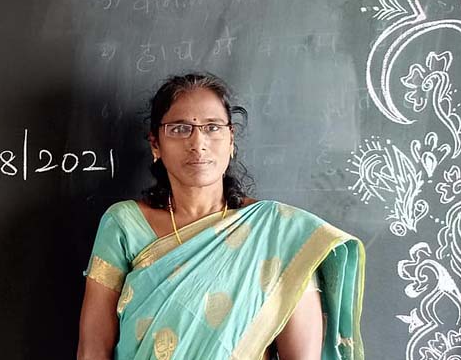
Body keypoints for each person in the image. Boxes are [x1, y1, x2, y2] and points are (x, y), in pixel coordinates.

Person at [77, 73, 364, 360]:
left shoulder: (280, 235)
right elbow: (93, 350)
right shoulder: (124, 224)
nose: (198, 142)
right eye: (180, 129)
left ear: (231, 139)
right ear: (156, 144)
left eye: (212, 127)